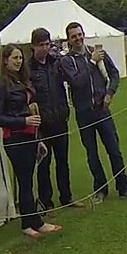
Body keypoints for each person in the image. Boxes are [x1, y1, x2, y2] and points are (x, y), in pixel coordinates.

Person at [61, 21, 127, 203]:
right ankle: (100, 189)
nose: (78, 38)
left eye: (80, 34)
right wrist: (91, 62)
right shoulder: (67, 61)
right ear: (69, 40)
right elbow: (77, 82)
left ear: (84, 34)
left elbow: (114, 74)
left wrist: (110, 93)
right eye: (74, 36)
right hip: (83, 113)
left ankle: (124, 187)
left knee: (114, 149)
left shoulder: (97, 53)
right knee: (92, 153)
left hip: (102, 110)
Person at [0, 45, 62, 239]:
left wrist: (36, 136)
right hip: (15, 138)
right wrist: (23, 121)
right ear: (5, 60)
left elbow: (29, 108)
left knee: (28, 180)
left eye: (20, 58)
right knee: (24, 180)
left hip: (30, 136)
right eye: (14, 58)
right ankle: (29, 222)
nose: (18, 61)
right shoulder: (1, 85)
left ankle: (33, 220)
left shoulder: (22, 81)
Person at [28, 27, 81, 213]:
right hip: (42, 124)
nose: (44, 48)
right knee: (44, 164)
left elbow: (71, 79)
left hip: (59, 118)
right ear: (33, 46)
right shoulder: (28, 69)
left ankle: (66, 197)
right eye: (41, 45)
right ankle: (46, 201)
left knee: (63, 161)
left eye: (47, 44)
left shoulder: (56, 63)